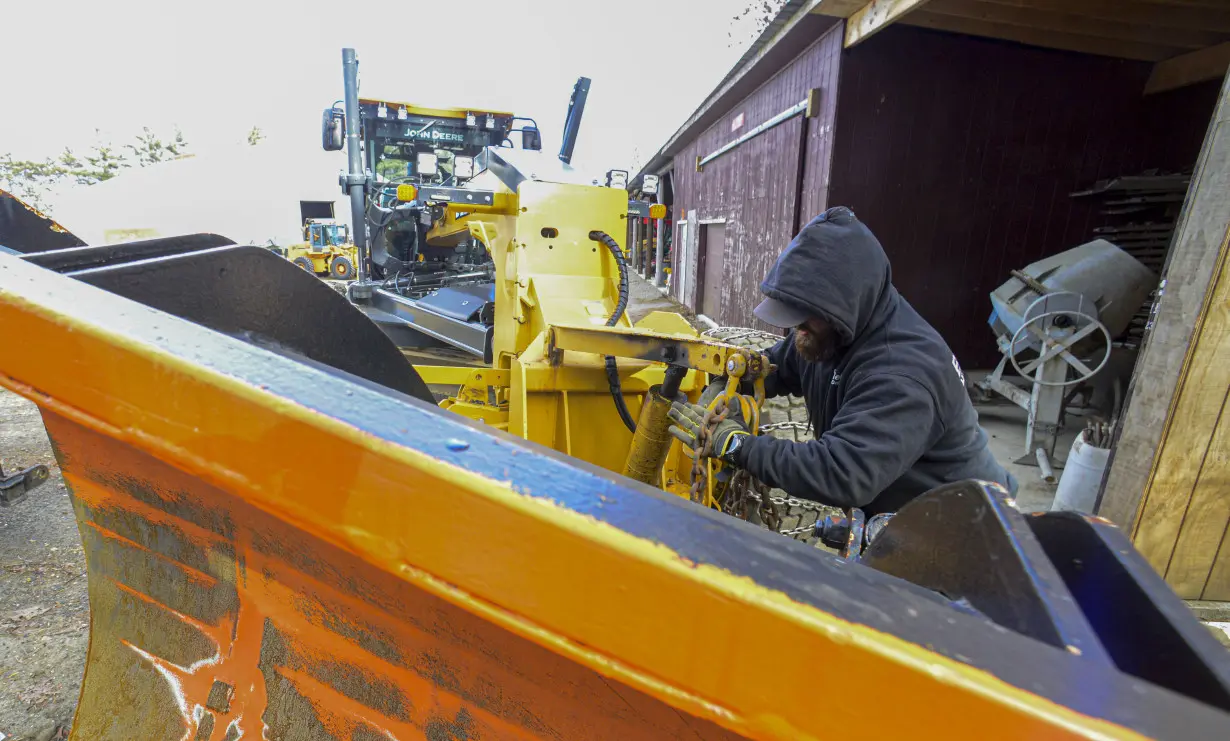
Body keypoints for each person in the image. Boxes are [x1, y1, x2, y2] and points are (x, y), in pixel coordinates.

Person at [668, 206, 1014, 516]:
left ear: (845, 305)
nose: (796, 330)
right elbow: (775, 367)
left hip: (965, 532)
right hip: (900, 520)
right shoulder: (829, 332)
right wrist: (728, 384)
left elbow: (841, 473)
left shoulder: (903, 372)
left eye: (805, 318)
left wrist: (736, 444)